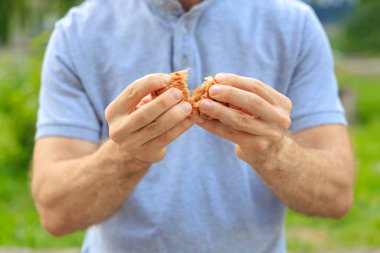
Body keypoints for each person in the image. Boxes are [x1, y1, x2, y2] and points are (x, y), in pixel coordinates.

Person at [31, 0, 355, 252]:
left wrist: (273, 150)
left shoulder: (294, 24)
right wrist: (126, 154)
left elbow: (336, 196)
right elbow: (56, 212)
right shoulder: (76, 33)